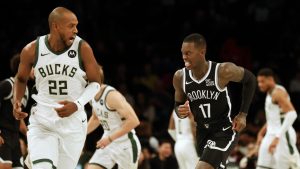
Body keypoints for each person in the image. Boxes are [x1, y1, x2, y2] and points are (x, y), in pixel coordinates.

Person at [13, 7, 101, 169]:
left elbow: (96, 83)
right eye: (71, 26)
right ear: (55, 26)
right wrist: (17, 101)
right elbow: (21, 78)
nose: (76, 30)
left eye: (76, 25)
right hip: (43, 119)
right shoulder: (32, 50)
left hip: (73, 123)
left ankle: (32, 161)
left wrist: (77, 104)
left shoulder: (83, 48)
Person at [173, 33, 256, 169]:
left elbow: (250, 79)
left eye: (188, 53)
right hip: (201, 131)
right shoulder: (179, 77)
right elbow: (178, 106)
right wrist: (180, 111)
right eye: (182, 53)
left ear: (202, 52)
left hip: (223, 129)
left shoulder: (222, 71)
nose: (184, 57)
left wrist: (243, 114)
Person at [86, 66, 141, 169]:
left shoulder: (112, 95)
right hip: (107, 142)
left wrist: (110, 139)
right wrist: (81, 134)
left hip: (125, 144)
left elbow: (134, 121)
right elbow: (95, 118)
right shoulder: (91, 95)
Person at [256, 68, 300, 169]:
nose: (259, 85)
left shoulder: (278, 92)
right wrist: (260, 133)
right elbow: (272, 119)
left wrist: (277, 137)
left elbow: (292, 113)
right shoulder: (269, 93)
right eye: (258, 82)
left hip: (284, 135)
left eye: (262, 81)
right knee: (262, 165)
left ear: (270, 79)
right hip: (271, 134)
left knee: (292, 165)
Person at [0, 54, 29, 169]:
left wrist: (30, 136)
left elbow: (19, 119)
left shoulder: (26, 91)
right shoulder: (7, 84)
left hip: (15, 136)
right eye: (31, 66)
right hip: (3, 134)